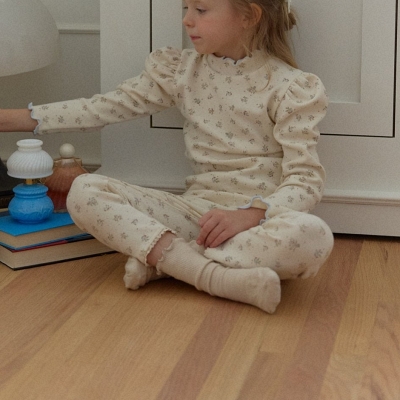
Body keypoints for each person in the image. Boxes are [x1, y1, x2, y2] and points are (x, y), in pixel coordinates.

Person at [0, 0, 334, 313]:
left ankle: (168, 262)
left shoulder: (291, 87)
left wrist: (252, 214)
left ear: (249, 16)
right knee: (84, 191)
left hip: (258, 223)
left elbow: (305, 180)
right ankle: (213, 277)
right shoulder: (180, 71)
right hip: (195, 216)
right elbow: (102, 108)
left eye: (201, 9)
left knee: (313, 236)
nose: (187, 20)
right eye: (186, 7)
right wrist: (10, 119)